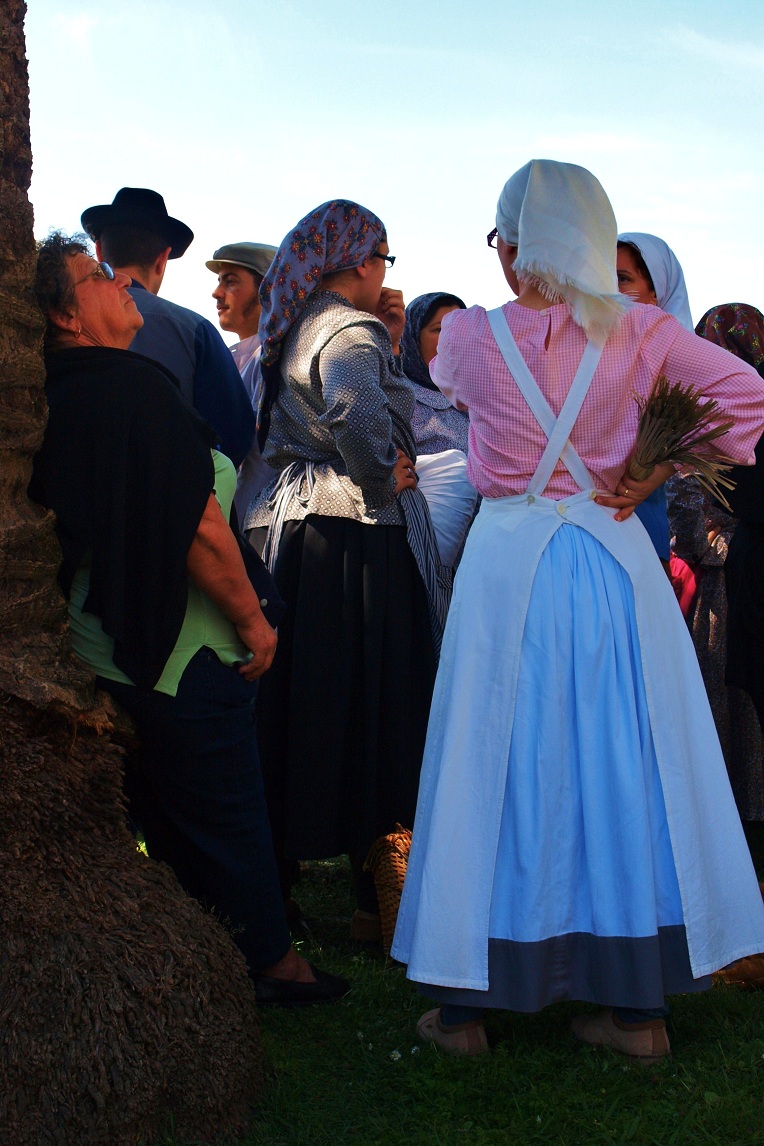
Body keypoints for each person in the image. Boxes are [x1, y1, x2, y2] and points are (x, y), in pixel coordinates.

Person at [391, 160, 764, 1061]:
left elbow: (454, 384)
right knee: (621, 761)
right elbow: (747, 394)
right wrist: (660, 461)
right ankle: (636, 1011)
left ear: (516, 243)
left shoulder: (469, 337)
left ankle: (466, 1008)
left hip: (508, 572)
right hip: (610, 564)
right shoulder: (643, 330)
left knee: (495, 763)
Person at [29, 231, 348, 1006]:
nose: (119, 282)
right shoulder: (130, 388)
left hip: (105, 642)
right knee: (227, 810)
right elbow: (198, 530)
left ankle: (209, 947)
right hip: (180, 649)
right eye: (96, 277)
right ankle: (273, 964)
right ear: (67, 315)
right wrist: (254, 623)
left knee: (172, 815)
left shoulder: (60, 388)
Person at [244, 200, 445, 939]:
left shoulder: (296, 326)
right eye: (384, 261)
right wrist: (383, 472)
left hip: (300, 533)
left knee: (302, 701)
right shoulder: (349, 330)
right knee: (379, 700)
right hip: (357, 536)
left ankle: (280, 884)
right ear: (362, 262)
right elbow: (359, 419)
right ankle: (379, 899)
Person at [80, 187, 255, 467]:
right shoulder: (195, 331)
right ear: (162, 259)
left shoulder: (62, 315)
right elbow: (233, 438)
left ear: (99, 250)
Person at [616, 232, 694, 566]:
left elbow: (736, 409)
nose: (610, 289)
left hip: (641, 522)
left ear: (655, 293)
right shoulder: (576, 350)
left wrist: (659, 473)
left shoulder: (681, 361)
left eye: (623, 279)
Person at [400, 292, 477, 569]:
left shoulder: (483, 397)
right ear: (413, 338)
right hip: (425, 560)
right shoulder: (400, 400)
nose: (450, 338)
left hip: (482, 554)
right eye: (438, 329)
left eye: (458, 328)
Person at [206, 241, 279, 518]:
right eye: (219, 281)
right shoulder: (232, 358)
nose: (216, 292)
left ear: (268, 289)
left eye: (231, 281)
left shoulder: (275, 360)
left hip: (265, 520)